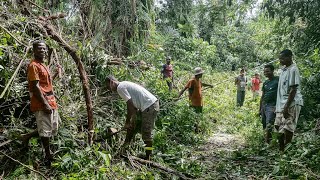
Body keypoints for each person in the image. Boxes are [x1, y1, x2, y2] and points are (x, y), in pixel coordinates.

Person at [24, 40, 61, 167]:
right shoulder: (33, 65)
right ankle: (47, 154)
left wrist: (55, 73)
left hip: (51, 100)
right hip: (42, 102)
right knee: (45, 129)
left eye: (44, 49)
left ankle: (27, 136)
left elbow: (46, 83)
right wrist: (45, 104)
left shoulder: (42, 64)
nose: (43, 51)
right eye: (40, 49)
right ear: (34, 50)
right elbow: (35, 87)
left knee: (52, 127)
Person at [106, 76, 159, 160]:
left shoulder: (120, 88)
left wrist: (127, 122)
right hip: (147, 105)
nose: (109, 89)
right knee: (131, 127)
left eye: (108, 86)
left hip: (149, 106)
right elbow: (133, 106)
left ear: (112, 82)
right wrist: (131, 121)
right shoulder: (123, 85)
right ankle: (124, 149)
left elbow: (130, 105)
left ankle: (148, 158)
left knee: (146, 133)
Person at [275, 49, 303, 151]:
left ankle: (287, 152)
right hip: (281, 104)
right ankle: (281, 151)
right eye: (280, 59)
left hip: (291, 103)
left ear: (290, 57)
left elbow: (293, 90)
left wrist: (286, 106)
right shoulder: (283, 70)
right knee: (278, 127)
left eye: (282, 58)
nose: (280, 61)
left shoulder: (293, 69)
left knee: (288, 128)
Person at [178, 67, 212, 131]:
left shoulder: (198, 80)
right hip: (193, 103)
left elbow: (202, 84)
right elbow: (184, 89)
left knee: (198, 116)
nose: (202, 74)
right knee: (193, 116)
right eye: (201, 73)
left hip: (199, 102)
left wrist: (209, 85)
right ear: (198, 74)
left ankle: (196, 128)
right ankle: (193, 129)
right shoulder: (192, 81)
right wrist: (178, 97)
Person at [259, 64, 279, 143]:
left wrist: (277, 106)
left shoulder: (278, 80)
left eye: (267, 71)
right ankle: (265, 141)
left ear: (272, 71)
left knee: (269, 124)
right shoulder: (266, 82)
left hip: (272, 105)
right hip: (264, 105)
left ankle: (269, 143)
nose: (266, 73)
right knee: (264, 124)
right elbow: (263, 96)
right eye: (264, 72)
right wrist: (260, 108)